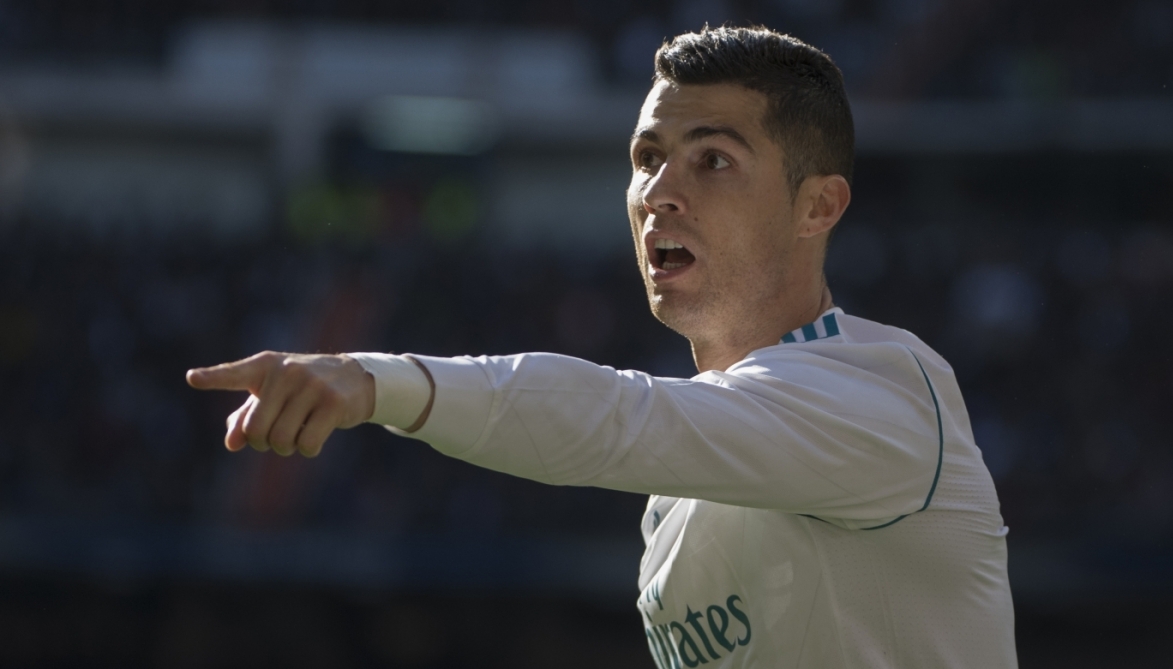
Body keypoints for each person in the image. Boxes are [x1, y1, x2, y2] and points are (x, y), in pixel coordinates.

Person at [188, 26, 1017, 668]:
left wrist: (376, 381)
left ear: (817, 207)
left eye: (714, 160)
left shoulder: (886, 391)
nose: (660, 192)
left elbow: (620, 415)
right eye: (646, 159)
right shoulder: (674, 500)